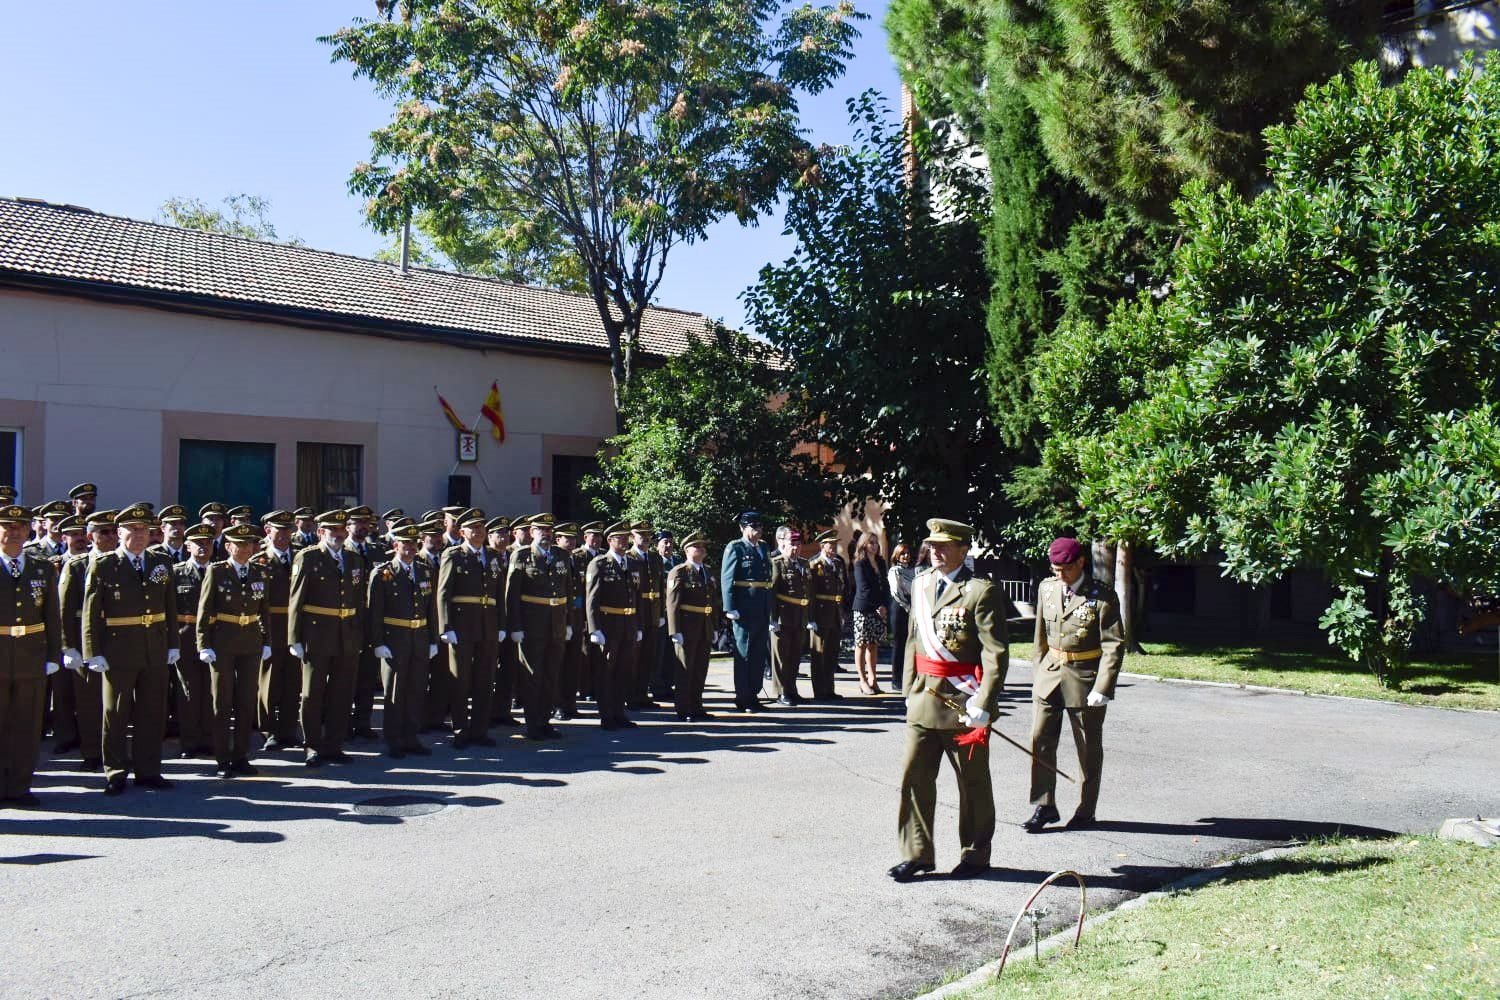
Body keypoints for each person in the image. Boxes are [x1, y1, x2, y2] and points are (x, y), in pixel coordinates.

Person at [889, 518, 1008, 883]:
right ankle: (917, 853)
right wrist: (909, 690)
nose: (935, 551)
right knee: (915, 778)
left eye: (944, 546)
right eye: (932, 545)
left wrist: (984, 702)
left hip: (963, 703)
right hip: (925, 698)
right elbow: (912, 640)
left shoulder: (979, 591)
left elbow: (995, 653)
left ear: (963, 549)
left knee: (972, 783)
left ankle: (975, 852)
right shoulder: (922, 583)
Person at [1024, 537, 1125, 833]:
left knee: (1088, 749)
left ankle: (1086, 809)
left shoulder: (1102, 596)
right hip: (1050, 675)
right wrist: (1038, 673)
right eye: (1055, 569)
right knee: (1039, 741)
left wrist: (1103, 687)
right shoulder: (1047, 588)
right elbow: (1040, 638)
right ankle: (1045, 805)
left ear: (1081, 562)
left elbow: (1114, 645)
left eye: (1065, 569)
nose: (1060, 575)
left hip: (1085, 680)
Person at [82, 504, 181, 795]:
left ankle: (149, 770)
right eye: (131, 530)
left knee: (152, 711)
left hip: (154, 647)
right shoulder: (104, 564)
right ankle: (115, 771)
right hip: (118, 649)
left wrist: (173, 643)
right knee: (116, 712)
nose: (138, 535)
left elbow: (170, 607)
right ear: (120, 533)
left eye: (143, 530)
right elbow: (90, 613)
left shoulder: (160, 562)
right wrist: (93, 651)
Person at [288, 508, 365, 767]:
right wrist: (294, 638)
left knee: (342, 692)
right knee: (313, 692)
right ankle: (312, 745)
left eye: (342, 530)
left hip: (346, 636)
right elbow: (296, 600)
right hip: (316, 634)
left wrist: (359, 633)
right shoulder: (307, 557)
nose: (339, 534)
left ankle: (334, 744)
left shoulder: (354, 559)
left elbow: (358, 601)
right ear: (321, 532)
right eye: (333, 530)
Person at [196, 524, 271, 778]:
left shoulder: (259, 571)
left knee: (246, 700)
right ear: (228, 546)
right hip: (223, 643)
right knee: (223, 701)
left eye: (248, 544)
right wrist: (203, 644)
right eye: (239, 545)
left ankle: (240, 755)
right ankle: (222, 759)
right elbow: (204, 612)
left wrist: (267, 640)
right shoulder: (217, 572)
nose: (244, 549)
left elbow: (264, 611)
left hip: (250, 641)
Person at [0, 504, 62, 807]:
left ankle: (20, 786)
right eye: (8, 527)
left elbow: (52, 614)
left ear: (28, 531)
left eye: (20, 527)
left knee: (27, 725)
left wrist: (53, 653)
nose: (14, 532)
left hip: (30, 656)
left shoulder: (41, 567)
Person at [366, 523, 438, 758]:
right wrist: (377, 642)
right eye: (404, 544)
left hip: (419, 637)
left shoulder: (425, 570)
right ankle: (394, 739)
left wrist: (433, 639)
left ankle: (411, 736)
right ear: (395, 545)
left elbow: (431, 609)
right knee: (395, 691)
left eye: (412, 544)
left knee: (416, 689)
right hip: (394, 639)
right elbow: (374, 612)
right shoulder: (383, 573)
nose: (409, 549)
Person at [437, 508, 505, 749]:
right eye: (473, 528)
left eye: (481, 527)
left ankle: (480, 729)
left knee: (485, 680)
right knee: (461, 680)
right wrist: (446, 626)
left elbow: (499, 594)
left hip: (488, 625)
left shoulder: (493, 556)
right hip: (462, 625)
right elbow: (443, 593)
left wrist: (502, 624)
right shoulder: (453, 555)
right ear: (462, 531)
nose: (478, 531)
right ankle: (460, 730)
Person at [505, 513, 571, 741]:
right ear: (532, 532)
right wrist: (515, 625)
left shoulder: (561, 555)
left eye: (548, 530)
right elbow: (511, 594)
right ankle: (532, 723)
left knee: (551, 674)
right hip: (532, 624)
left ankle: (545, 721)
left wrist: (569, 622)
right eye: (541, 530)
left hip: (556, 623)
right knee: (532, 674)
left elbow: (569, 591)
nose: (546, 534)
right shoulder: (521, 556)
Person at [60, 509, 116, 772]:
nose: (111, 536)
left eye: (114, 531)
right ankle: (92, 752)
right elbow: (63, 609)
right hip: (86, 640)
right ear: (91, 536)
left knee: (115, 702)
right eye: (104, 532)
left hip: (118, 638)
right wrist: (67, 646)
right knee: (89, 701)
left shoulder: (121, 563)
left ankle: (113, 752)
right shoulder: (77, 565)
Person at [585, 520, 641, 730]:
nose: (625, 541)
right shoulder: (599, 563)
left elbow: (637, 598)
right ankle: (607, 715)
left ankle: (619, 712)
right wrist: (594, 628)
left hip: (628, 624)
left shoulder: (633, 564)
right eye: (620, 538)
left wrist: (639, 626)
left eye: (627, 538)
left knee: (623, 671)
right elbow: (592, 598)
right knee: (606, 672)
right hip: (608, 624)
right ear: (610, 540)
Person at [252, 511, 299, 752]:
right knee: (269, 682)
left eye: (287, 530)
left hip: (295, 626)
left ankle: (289, 729)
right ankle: (269, 730)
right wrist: (262, 634)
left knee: (293, 682)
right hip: (271, 626)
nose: (283, 536)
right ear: (267, 531)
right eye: (278, 530)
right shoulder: (259, 561)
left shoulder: (300, 558)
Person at [171, 525, 217, 759]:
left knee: (211, 690)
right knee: (188, 690)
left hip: (214, 637)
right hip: (186, 637)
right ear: (187, 546)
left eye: (207, 542)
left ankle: (209, 738)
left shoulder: (219, 571)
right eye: (197, 543)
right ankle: (189, 742)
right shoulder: (177, 572)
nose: (203, 547)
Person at [720, 512, 772, 712]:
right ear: (742, 528)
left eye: (759, 527)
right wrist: (729, 607)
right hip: (744, 607)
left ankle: (754, 694)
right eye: (752, 527)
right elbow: (727, 578)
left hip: (761, 605)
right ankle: (743, 696)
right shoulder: (735, 547)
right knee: (745, 652)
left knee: (759, 652)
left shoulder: (764, 547)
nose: (757, 531)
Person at [665, 531, 719, 721]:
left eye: (703, 547)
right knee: (685, 670)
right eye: (698, 546)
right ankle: (683, 708)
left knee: (700, 669)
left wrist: (715, 627)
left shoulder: (708, 571)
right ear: (687, 550)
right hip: (687, 626)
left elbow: (713, 602)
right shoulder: (679, 571)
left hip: (704, 625)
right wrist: (674, 630)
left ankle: (697, 706)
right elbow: (672, 604)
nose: (702, 549)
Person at [768, 526, 813, 705]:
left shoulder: (803, 563)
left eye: (798, 544)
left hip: (799, 616)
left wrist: (809, 616)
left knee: (795, 655)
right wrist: (772, 618)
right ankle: (781, 692)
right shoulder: (777, 563)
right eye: (792, 544)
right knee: (781, 656)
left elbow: (807, 591)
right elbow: (771, 592)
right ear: (783, 545)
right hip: (783, 616)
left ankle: (792, 689)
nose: (795, 548)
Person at [627, 520, 666, 710]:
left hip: (653, 611)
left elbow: (660, 586)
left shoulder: (655, 558)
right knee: (634, 657)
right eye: (641, 534)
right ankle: (631, 695)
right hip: (636, 611)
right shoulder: (628, 557)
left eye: (648, 535)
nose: (645, 538)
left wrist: (661, 612)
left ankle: (642, 694)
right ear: (632, 537)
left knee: (649, 657)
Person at [806, 530, 846, 701]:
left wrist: (842, 612)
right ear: (823, 546)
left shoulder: (836, 563)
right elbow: (810, 593)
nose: (835, 547)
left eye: (836, 544)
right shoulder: (815, 564)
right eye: (831, 544)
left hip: (834, 612)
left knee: (831, 653)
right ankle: (820, 690)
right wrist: (811, 617)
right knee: (819, 654)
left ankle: (829, 688)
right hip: (820, 613)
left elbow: (841, 589)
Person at [851, 532, 890, 695]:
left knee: (873, 644)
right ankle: (862, 680)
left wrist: (885, 605)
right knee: (861, 644)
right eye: (870, 543)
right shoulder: (860, 563)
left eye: (876, 543)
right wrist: (877, 606)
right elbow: (864, 587)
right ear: (863, 545)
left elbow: (885, 585)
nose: (874, 546)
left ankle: (873, 679)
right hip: (864, 608)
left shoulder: (880, 562)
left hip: (878, 608)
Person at [552, 522, 584, 720]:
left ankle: (570, 703)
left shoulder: (578, 560)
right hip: (559, 618)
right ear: (558, 540)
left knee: (573, 664)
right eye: (567, 538)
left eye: (573, 538)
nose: (571, 542)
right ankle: (557, 705)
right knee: (558, 665)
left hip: (576, 617)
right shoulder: (554, 559)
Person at [652, 529, 680, 702]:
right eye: (665, 542)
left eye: (670, 542)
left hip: (675, 614)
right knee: (659, 652)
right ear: (657, 545)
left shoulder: (677, 562)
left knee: (672, 652)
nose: (668, 545)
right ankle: (657, 686)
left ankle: (669, 684)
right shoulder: (654, 562)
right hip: (661, 612)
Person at [887, 543, 916, 693]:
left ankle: (907, 677)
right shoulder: (894, 571)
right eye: (902, 553)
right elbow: (897, 593)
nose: (906, 556)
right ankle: (896, 679)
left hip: (911, 608)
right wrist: (908, 608)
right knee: (899, 645)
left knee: (910, 645)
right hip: (899, 609)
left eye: (907, 553)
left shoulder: (912, 571)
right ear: (896, 555)